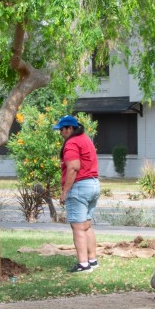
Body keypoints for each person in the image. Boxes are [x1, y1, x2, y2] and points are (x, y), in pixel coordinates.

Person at [54, 115, 100, 273]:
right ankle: (92, 260)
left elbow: (73, 167)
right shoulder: (85, 139)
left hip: (80, 186)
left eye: (62, 129)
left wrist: (64, 191)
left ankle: (83, 265)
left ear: (70, 128)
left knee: (78, 227)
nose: (61, 133)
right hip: (93, 184)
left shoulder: (72, 142)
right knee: (86, 226)